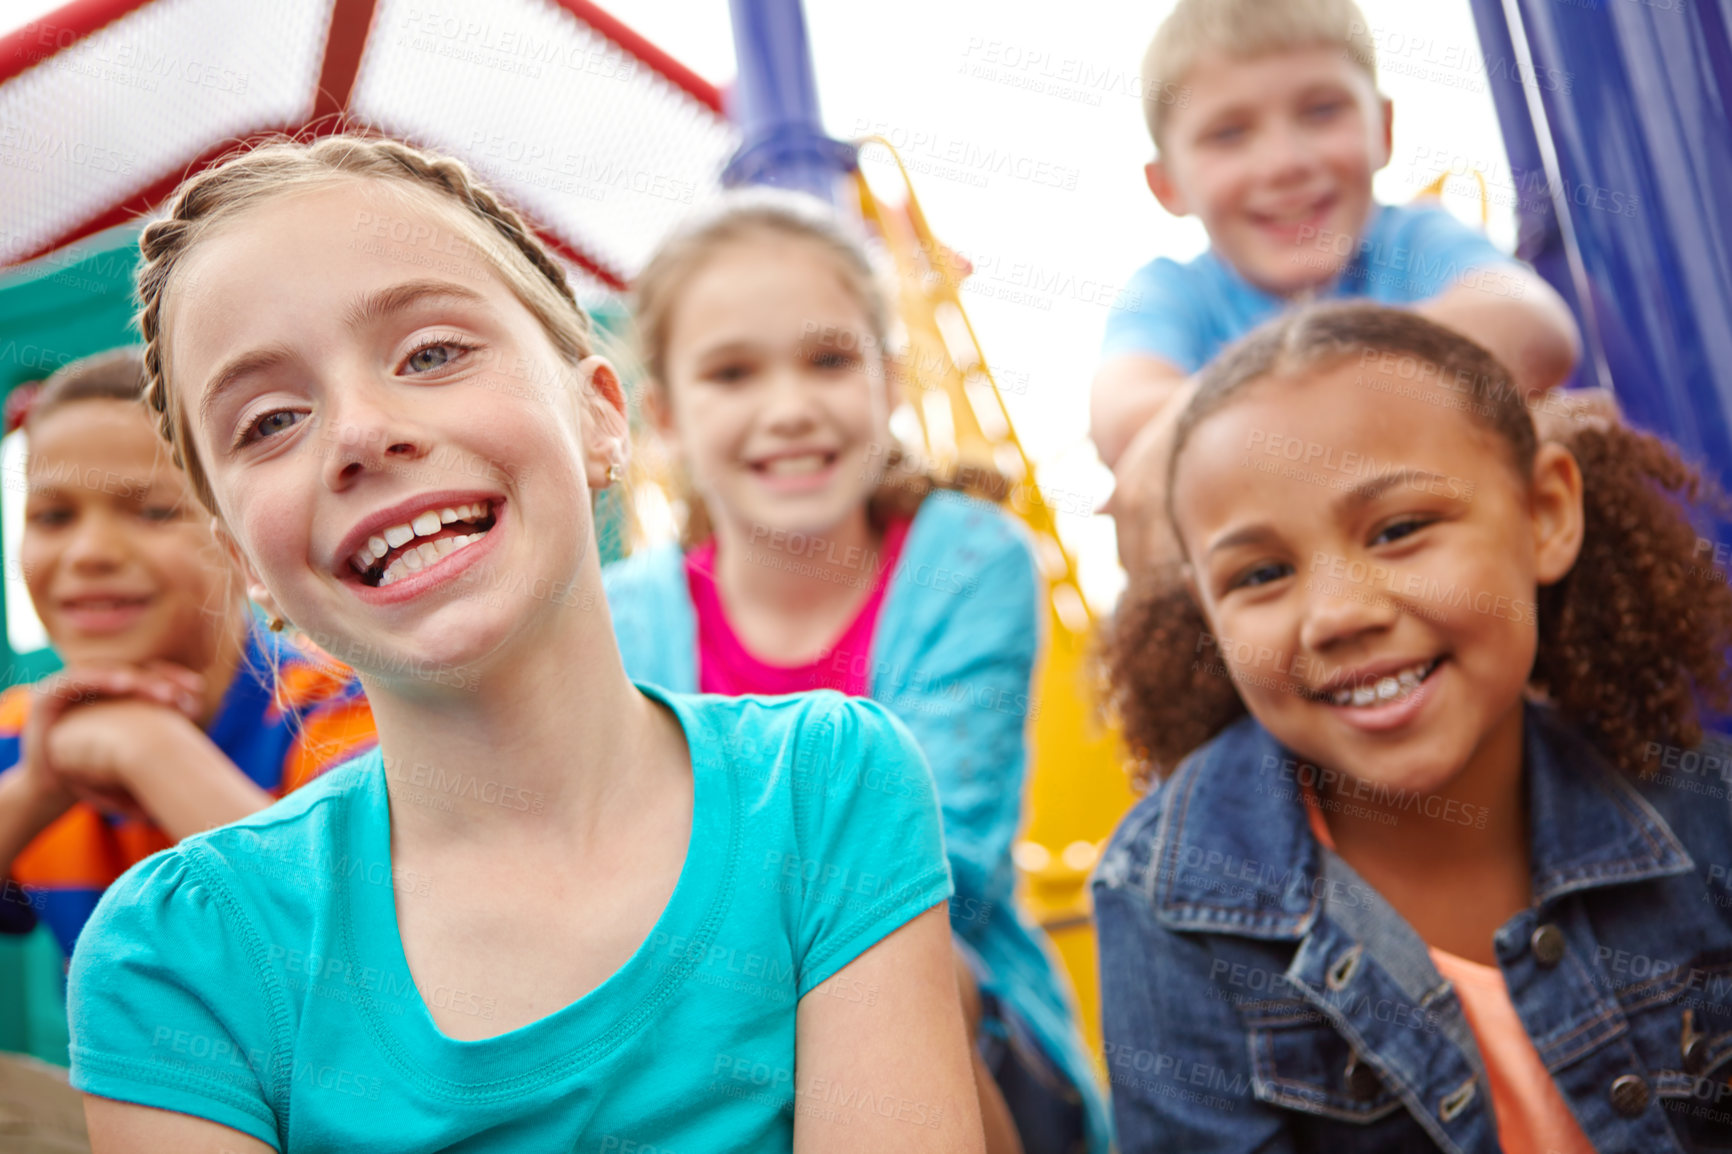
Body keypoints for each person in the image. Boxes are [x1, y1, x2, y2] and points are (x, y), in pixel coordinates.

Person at [67, 135, 986, 1154]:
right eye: (272, 419)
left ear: (601, 415)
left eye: (431, 353)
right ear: (242, 557)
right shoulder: (178, 955)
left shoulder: (824, 787)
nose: (361, 431)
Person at [1092, 302, 1732, 1151]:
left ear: (1545, 514)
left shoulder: (1698, 804)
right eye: (1261, 574)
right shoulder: (1167, 905)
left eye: (1399, 530)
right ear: (1205, 615)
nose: (1339, 614)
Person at [605, 192, 1109, 1154]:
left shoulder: (968, 563)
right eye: (733, 373)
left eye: (828, 360)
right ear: (665, 412)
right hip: (691, 1014)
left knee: (893, 960)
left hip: (954, 1004)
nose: (789, 408)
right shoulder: (628, 616)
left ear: (889, 378)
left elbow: (937, 854)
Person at [1092, 0, 1584, 573]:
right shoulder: (1171, 293)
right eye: (1228, 134)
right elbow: (1124, 420)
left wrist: (1216, 420)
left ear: (1384, 129)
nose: (1284, 162)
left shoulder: (1414, 239)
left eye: (1322, 111)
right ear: (1167, 184)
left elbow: (1533, 328)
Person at [0, 347, 375, 962]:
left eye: (153, 511)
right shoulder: (23, 733)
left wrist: (150, 752)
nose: (89, 552)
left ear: (242, 536)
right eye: (53, 515)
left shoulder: (338, 711)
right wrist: (37, 788)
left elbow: (346, 948)